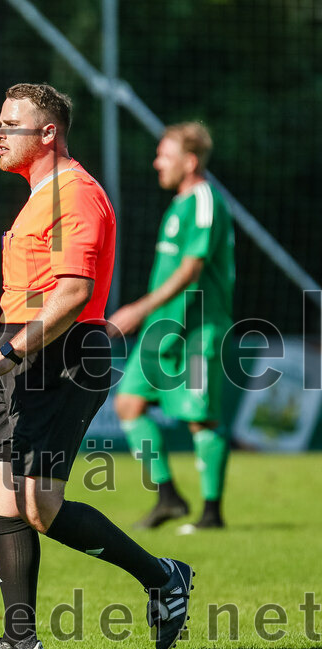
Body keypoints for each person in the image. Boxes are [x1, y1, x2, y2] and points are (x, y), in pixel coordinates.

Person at [0, 83, 194, 649]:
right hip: (29, 347)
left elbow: (72, 294)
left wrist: (10, 352)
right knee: (3, 488)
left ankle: (164, 577)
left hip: (62, 352)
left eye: (10, 123)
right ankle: (20, 641)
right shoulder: (39, 194)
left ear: (47, 133)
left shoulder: (75, 196)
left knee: (37, 504)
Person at [108, 122, 234, 533]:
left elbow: (191, 269)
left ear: (190, 161)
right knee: (128, 404)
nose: (156, 162)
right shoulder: (179, 203)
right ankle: (169, 497)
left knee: (201, 418)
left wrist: (137, 308)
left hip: (196, 329)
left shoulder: (204, 201)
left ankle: (212, 513)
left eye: (165, 154)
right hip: (162, 330)